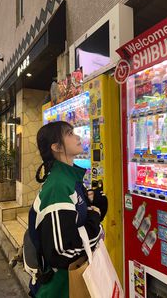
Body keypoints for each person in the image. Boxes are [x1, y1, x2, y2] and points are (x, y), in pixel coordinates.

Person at [28, 121, 108, 298]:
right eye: (70, 134)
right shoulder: (58, 186)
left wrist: (95, 208)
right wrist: (95, 219)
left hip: (71, 283)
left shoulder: (69, 178)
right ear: (56, 147)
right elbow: (62, 252)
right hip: (60, 288)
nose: (78, 137)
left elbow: (76, 223)